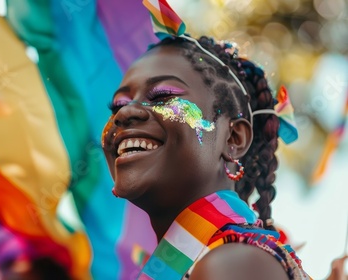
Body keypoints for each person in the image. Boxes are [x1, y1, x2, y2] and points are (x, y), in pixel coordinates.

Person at [101, 34, 310, 280]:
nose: (124, 113)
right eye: (117, 105)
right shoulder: (220, 259)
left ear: (233, 139)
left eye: (161, 96)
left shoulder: (233, 264)